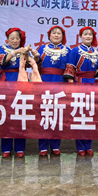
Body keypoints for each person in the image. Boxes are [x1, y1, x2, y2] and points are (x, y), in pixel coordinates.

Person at [31, 25, 70, 156]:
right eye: (54, 33)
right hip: (44, 84)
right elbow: (35, 67)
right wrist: (36, 58)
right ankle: (42, 146)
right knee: (44, 115)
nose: (56, 35)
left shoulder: (67, 51)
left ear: (63, 36)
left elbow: (70, 70)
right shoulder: (42, 49)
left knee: (58, 116)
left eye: (59, 33)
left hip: (61, 84)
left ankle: (55, 145)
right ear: (49, 35)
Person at [64, 27, 98, 156]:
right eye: (86, 34)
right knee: (79, 115)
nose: (88, 36)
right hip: (79, 83)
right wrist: (71, 86)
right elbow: (70, 69)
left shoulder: (97, 52)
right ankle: (80, 146)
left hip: (93, 85)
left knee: (90, 115)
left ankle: (88, 145)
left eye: (90, 34)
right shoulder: (75, 51)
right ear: (81, 36)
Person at [0, 27, 29, 158]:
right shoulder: (1, 49)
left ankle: (20, 148)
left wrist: (32, 55)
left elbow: (32, 64)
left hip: (21, 83)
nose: (14, 41)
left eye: (17, 38)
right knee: (6, 116)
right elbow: (1, 61)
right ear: (7, 39)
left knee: (20, 116)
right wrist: (15, 52)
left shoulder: (23, 50)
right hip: (5, 83)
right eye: (12, 38)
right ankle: (6, 148)